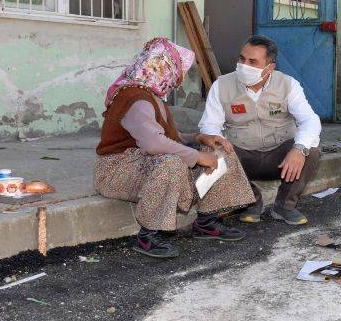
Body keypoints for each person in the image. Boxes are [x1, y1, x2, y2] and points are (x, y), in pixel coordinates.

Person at [94, 37, 255, 258]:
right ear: (163, 67)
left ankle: (207, 222)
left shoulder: (151, 95)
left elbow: (169, 137)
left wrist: (199, 138)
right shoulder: (135, 98)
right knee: (170, 162)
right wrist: (198, 156)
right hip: (117, 171)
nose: (177, 80)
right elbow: (154, 143)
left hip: (143, 163)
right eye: (177, 72)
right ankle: (149, 235)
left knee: (221, 151)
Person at [198, 35, 322, 225]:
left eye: (252, 62)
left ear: (269, 67)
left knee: (311, 149)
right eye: (242, 59)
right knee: (212, 149)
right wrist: (216, 139)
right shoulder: (221, 86)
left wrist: (298, 149)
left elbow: (310, 121)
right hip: (241, 158)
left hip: (279, 159)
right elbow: (209, 125)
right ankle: (250, 202)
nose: (243, 65)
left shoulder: (288, 85)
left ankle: (285, 206)